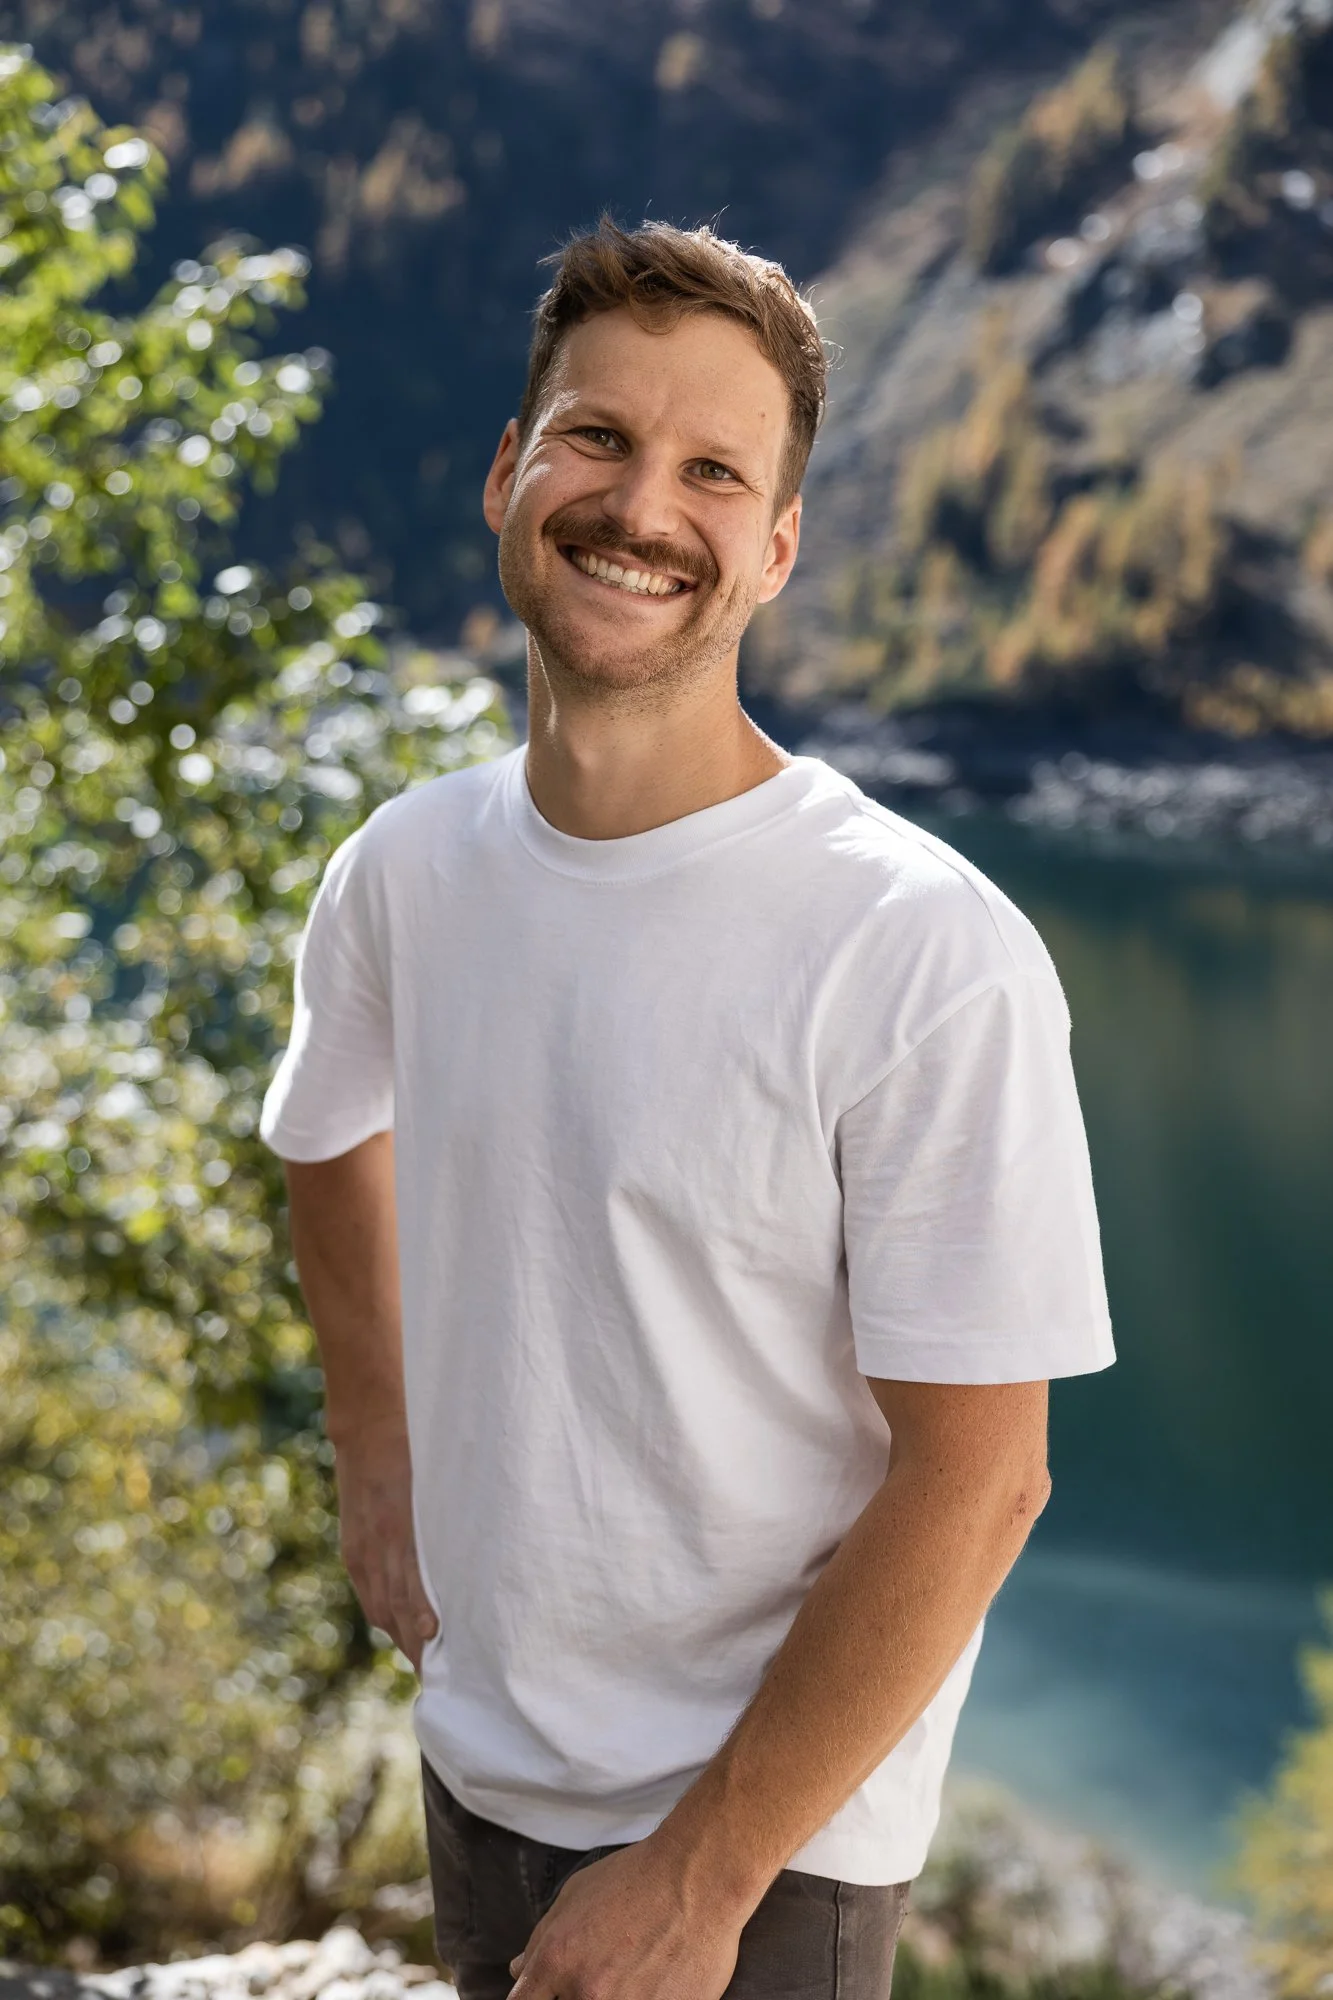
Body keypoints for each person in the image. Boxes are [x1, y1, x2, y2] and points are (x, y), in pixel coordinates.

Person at [260, 218, 1114, 2000]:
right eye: (597, 437)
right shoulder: (408, 869)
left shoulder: (917, 946)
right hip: (481, 1757)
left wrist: (703, 1878)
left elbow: (984, 1481)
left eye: (714, 471)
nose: (642, 508)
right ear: (510, 468)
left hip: (761, 1853)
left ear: (778, 546)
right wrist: (376, 1447)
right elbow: (324, 1134)